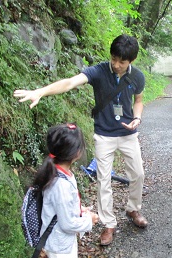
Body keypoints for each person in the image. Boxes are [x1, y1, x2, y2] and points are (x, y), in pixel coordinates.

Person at [14, 34, 147, 246]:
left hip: (128, 134)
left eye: (122, 61)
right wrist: (41, 91)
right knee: (104, 180)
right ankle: (108, 223)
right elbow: (70, 83)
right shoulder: (99, 71)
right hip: (104, 135)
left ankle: (133, 208)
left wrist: (137, 117)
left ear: (131, 61)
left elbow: (138, 101)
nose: (116, 64)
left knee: (138, 174)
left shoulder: (138, 77)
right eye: (113, 58)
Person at [33, 123, 99, 258]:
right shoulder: (59, 184)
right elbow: (68, 223)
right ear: (76, 153)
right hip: (59, 242)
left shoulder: (61, 172)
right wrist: (89, 220)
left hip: (62, 240)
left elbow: (63, 208)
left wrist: (80, 210)